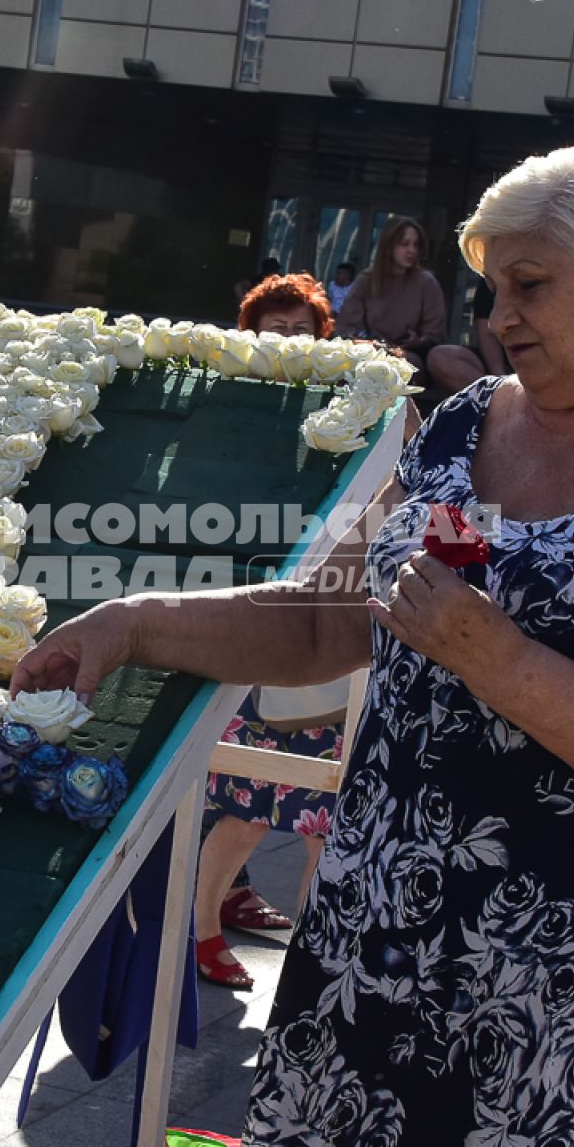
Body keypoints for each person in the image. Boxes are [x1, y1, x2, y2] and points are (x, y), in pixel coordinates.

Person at [14, 141, 574, 1147]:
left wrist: (500, 659)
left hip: (551, 1007)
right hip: (368, 959)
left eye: (529, 286)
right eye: (491, 290)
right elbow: (316, 622)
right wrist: (132, 621)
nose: (499, 317)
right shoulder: (465, 422)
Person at [196, 272, 344, 990]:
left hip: (325, 628)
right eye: (272, 331)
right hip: (253, 622)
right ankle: (199, 930)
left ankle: (313, 965)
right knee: (249, 805)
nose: (287, 345)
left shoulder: (352, 412)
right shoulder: (230, 409)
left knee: (326, 809)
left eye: (301, 332)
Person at [335, 216, 481, 399]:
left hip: (410, 357)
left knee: (395, 365)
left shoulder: (425, 282)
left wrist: (418, 340)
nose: (411, 250)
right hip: (370, 349)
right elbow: (346, 326)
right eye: (404, 244)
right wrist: (365, 341)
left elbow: (436, 335)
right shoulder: (367, 280)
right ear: (389, 246)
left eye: (415, 245)